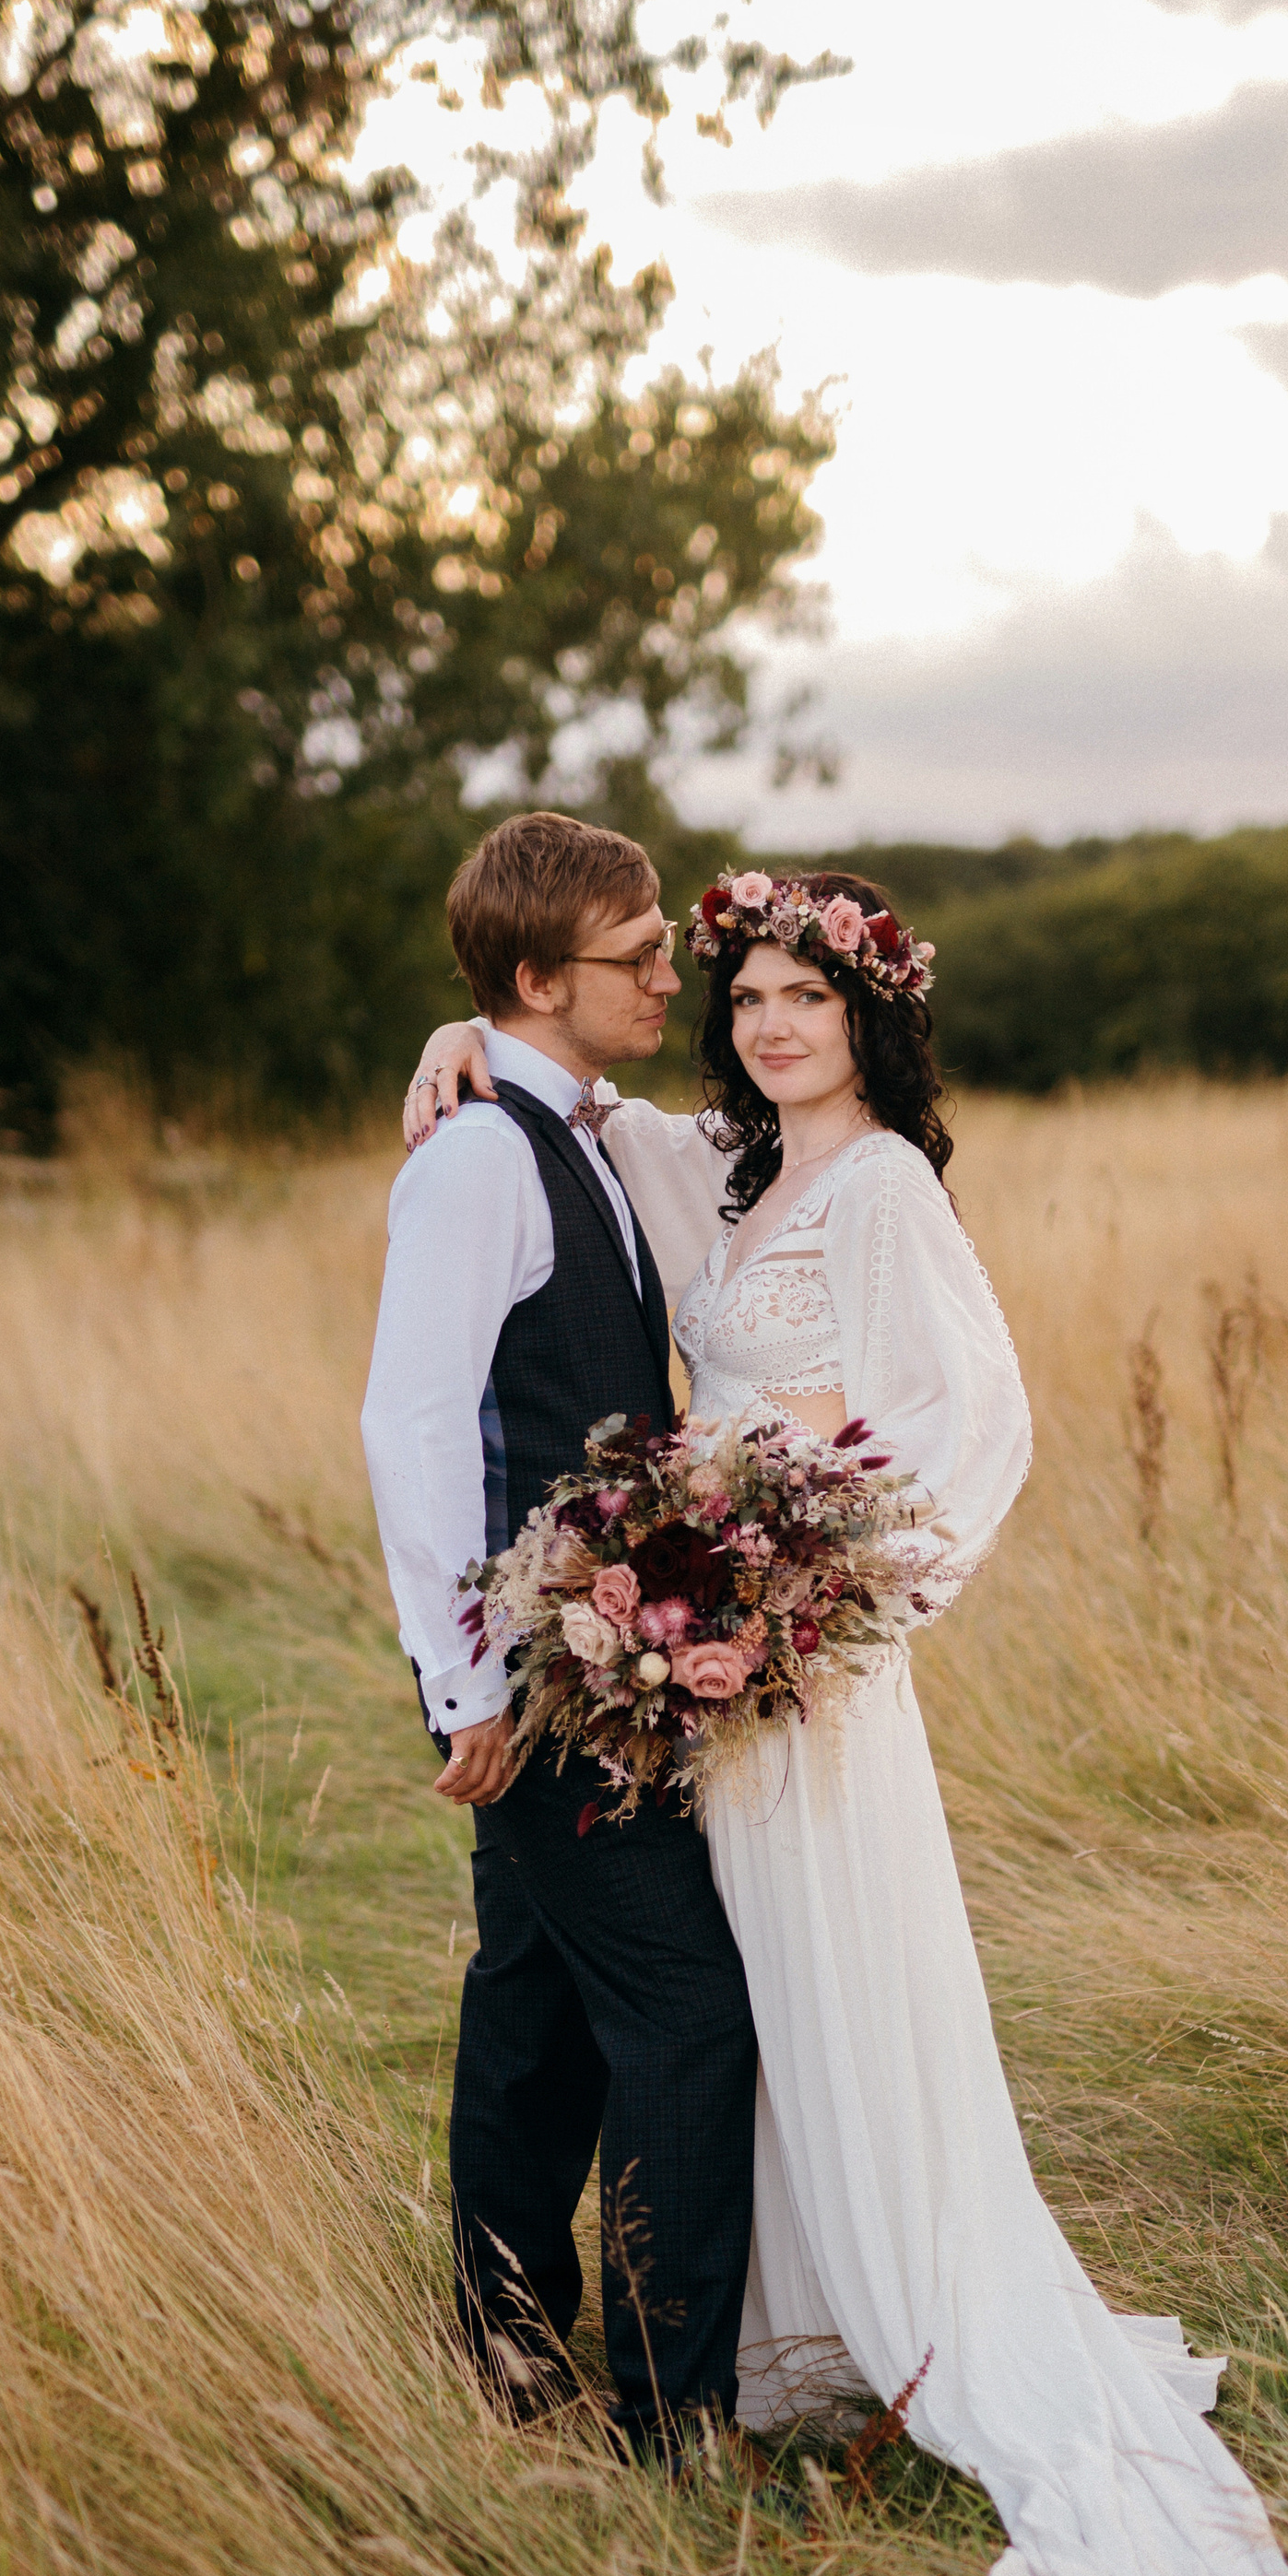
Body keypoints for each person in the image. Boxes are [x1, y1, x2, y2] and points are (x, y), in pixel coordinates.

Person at [398, 865, 1288, 2576]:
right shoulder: (708, 1173)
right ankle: (762, 2319)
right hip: (696, 1680)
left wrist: (806, 1603)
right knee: (724, 1996)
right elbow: (555, 1101)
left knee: (797, 1984)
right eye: (737, 990)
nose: (757, 1021)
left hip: (800, 1684)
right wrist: (456, 1042)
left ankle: (876, 2306)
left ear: (870, 1021)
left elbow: (968, 1425)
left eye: (798, 1001)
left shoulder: (890, 1196)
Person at [360, 812, 759, 2462]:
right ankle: (677, 2414)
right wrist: (464, 1682)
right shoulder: (470, 1160)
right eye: (637, 955)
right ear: (540, 978)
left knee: (532, 1999)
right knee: (683, 2008)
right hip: (541, 1680)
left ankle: (507, 2339)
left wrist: (465, 1031)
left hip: (583, 1661)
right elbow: (415, 1424)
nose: (671, 972)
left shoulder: (576, 1124)